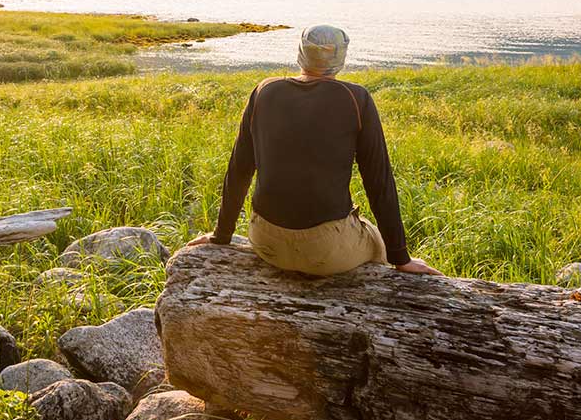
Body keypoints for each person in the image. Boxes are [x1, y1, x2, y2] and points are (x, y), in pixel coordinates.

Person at [188, 24, 441, 276]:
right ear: (340, 57)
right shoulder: (357, 98)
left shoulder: (264, 90)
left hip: (266, 241)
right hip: (326, 252)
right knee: (377, 243)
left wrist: (221, 236)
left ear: (301, 52)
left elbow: (239, 170)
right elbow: (379, 182)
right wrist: (400, 258)